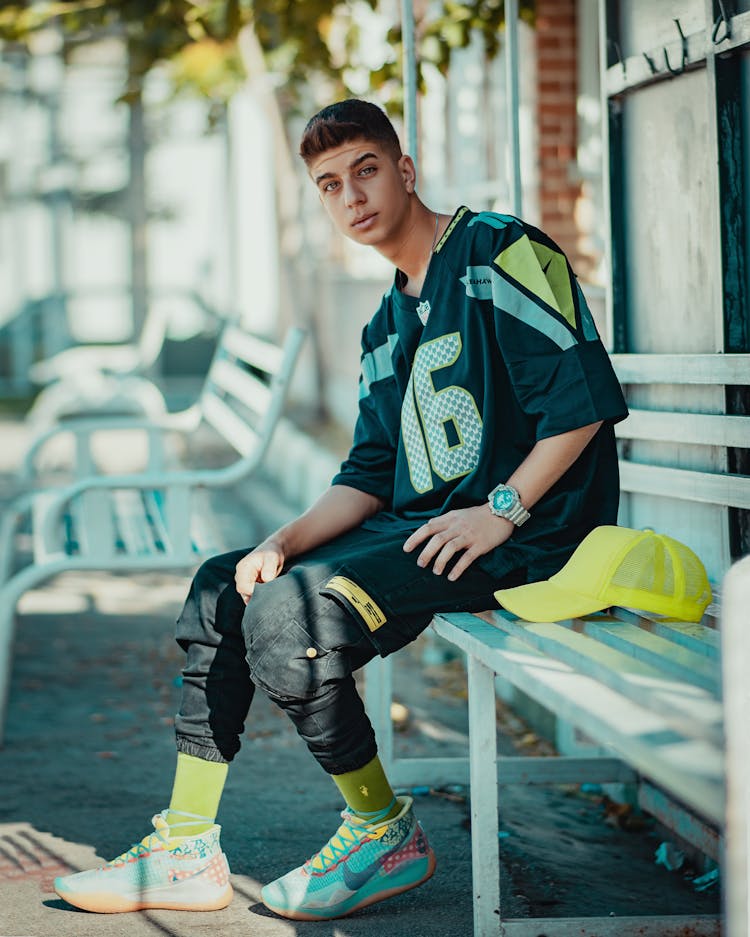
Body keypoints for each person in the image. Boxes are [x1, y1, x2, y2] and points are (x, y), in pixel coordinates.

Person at [54, 99, 628, 921]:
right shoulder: (386, 323)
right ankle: (184, 845)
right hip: (429, 533)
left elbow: (580, 406)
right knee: (230, 586)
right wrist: (280, 541)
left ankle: (381, 829)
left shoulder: (500, 251)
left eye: (365, 169)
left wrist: (500, 510)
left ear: (405, 170)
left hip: (530, 534)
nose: (351, 194)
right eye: (329, 184)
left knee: (296, 619)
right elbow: (367, 474)